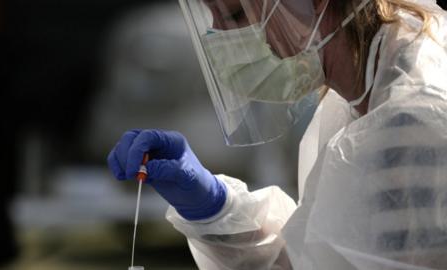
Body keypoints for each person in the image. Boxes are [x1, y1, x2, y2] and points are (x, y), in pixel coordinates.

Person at [108, 0, 447, 269]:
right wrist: (215, 210)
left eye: (236, 13)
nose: (220, 37)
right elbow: (326, 258)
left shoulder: (412, 120)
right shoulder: (365, 92)